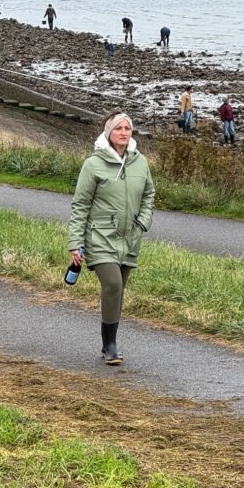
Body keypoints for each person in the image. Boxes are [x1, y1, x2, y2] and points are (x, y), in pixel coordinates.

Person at [67, 111, 154, 365]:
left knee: (118, 289)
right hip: (100, 236)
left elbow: (149, 195)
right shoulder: (93, 164)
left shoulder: (140, 162)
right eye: (118, 128)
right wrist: (75, 242)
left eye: (127, 128)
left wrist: (143, 222)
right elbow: (80, 205)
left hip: (130, 238)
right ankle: (112, 346)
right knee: (113, 284)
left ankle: (107, 343)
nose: (124, 133)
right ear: (108, 132)